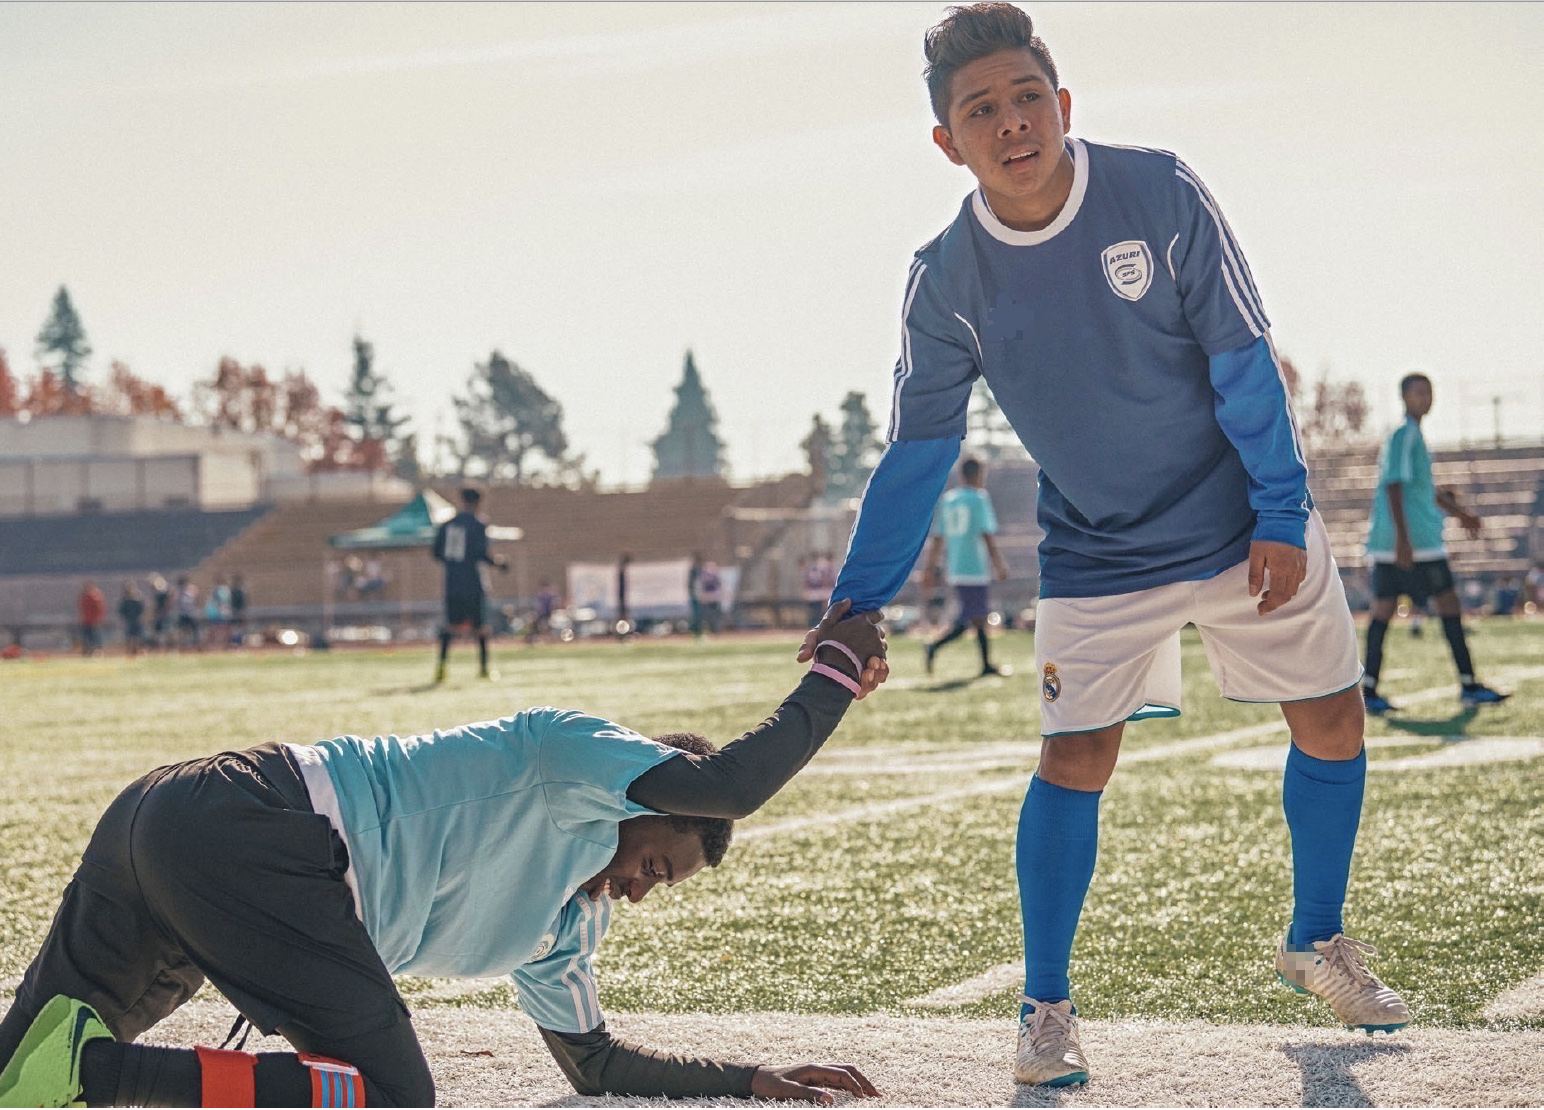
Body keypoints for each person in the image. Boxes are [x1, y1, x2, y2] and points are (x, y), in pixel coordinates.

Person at [796, 4, 1409, 1087]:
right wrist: (860, 598)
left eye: (1027, 96)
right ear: (947, 142)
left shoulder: (1157, 190)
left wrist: (1276, 510)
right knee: (1074, 756)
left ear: (1061, 104)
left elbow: (1241, 357)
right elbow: (919, 449)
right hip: (1096, 547)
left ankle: (1315, 941)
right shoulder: (944, 278)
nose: (1011, 121)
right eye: (980, 109)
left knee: (1328, 720)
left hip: (1236, 521)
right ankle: (1043, 1010)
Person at [0, 604, 885, 1109]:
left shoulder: (564, 931)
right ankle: (96, 1071)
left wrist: (752, 1078)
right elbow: (729, 783)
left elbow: (596, 1064)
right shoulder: (571, 757)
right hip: (253, 828)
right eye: (655, 867)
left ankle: (71, 1068)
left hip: (186, 836)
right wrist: (836, 674)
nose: (641, 894)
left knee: (11, 1086)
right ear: (643, 801)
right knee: (391, 1098)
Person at [1361, 373, 1508, 713]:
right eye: (1418, 392)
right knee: (1447, 604)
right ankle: (1469, 684)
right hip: (1416, 543)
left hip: (1398, 541)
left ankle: (1369, 690)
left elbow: (1423, 490)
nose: (1425, 397)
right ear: (1404, 397)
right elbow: (1393, 488)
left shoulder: (1413, 435)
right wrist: (1404, 540)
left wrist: (1461, 513)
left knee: (1384, 611)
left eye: (1429, 391)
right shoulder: (1403, 435)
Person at [922, 456, 1009, 677]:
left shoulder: (949, 500)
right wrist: (999, 564)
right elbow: (987, 534)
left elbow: (938, 539)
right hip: (974, 568)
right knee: (972, 619)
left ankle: (985, 664)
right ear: (978, 474)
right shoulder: (979, 498)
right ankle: (935, 646)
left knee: (975, 619)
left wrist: (929, 569)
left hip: (956, 568)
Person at [431, 487, 507, 683]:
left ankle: (441, 667)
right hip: (473, 583)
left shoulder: (447, 525)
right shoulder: (478, 524)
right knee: (481, 627)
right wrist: (498, 563)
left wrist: (454, 564)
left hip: (452, 584)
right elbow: (480, 553)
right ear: (478, 502)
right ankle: (483, 668)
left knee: (450, 626)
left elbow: (436, 552)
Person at [77, 582, 107, 657]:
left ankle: (95, 651)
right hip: (87, 620)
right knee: (88, 637)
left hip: (92, 621)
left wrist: (97, 618)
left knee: (94, 637)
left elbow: (99, 608)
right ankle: (89, 651)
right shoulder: (85, 596)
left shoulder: (94, 596)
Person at [117, 582, 145, 658]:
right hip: (128, 621)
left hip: (137, 621)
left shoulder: (137, 600)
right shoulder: (125, 601)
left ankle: (136, 650)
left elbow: (142, 610)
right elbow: (121, 611)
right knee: (129, 637)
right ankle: (129, 651)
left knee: (137, 637)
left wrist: (142, 617)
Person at [229, 575, 248, 647]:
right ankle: (236, 642)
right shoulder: (239, 591)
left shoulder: (234, 591)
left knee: (236, 628)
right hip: (237, 611)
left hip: (236, 611)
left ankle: (236, 642)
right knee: (237, 628)